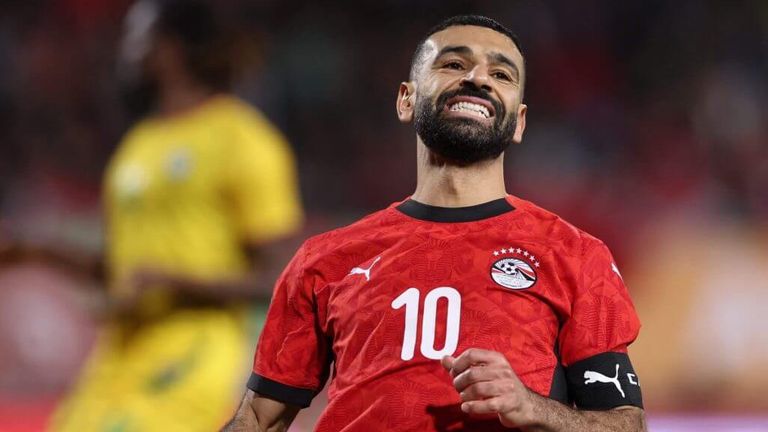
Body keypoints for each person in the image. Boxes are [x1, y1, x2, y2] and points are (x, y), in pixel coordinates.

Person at [224, 15, 645, 432]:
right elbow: (258, 418)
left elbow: (625, 425)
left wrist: (533, 407)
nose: (478, 78)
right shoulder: (325, 260)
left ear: (518, 123)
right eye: (454, 64)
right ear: (406, 100)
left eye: (500, 73)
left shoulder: (574, 255)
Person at [40, 0, 304, 431]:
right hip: (118, 354)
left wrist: (174, 282)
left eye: (135, 37)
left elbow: (283, 279)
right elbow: (119, 269)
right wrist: (33, 252)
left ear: (171, 48)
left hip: (193, 353)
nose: (125, 51)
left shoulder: (242, 138)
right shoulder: (138, 145)